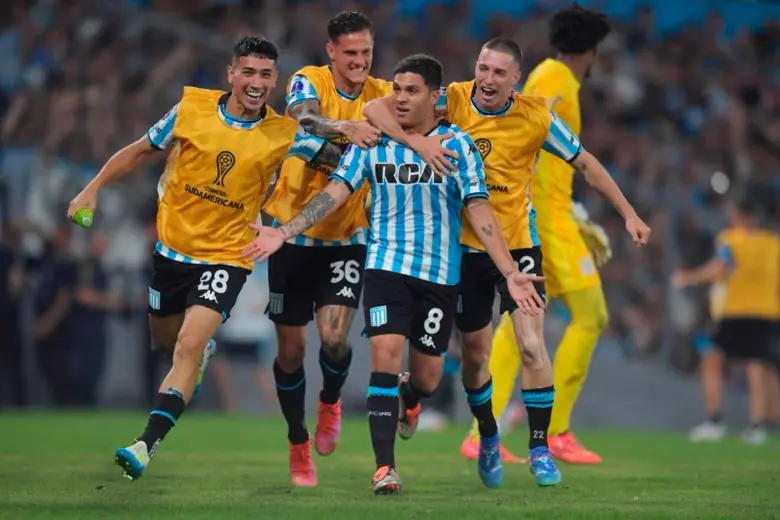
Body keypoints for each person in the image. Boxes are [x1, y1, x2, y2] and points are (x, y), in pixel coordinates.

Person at [244, 54, 546, 495]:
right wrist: (285, 232)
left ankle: (483, 430)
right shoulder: (373, 144)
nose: (400, 98)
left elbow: (480, 211)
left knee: (425, 379)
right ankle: (385, 468)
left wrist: (510, 270)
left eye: (411, 91)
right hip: (386, 267)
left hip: (440, 277)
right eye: (397, 89)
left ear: (435, 97)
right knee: (384, 354)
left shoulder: (458, 146)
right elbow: (335, 191)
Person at [363, 36, 649, 484]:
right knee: (475, 358)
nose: (488, 79)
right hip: (462, 250)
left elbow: (586, 163)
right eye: (482, 68)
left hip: (518, 248)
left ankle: (539, 449)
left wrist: (629, 213)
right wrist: (415, 144)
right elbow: (375, 109)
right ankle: (487, 435)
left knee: (532, 343)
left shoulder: (535, 115)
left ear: (516, 78)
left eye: (499, 72)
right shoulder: (452, 99)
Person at [67, 37, 341, 480]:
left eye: (265, 75)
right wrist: (91, 188)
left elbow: (343, 167)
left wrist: (293, 222)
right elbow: (139, 150)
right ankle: (198, 356)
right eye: (248, 72)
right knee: (166, 343)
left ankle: (144, 445)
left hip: (227, 258)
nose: (256, 83)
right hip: (171, 254)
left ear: (274, 80)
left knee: (187, 349)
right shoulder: (190, 109)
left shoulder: (282, 133)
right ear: (231, 74)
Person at [261, 11, 453, 487]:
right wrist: (345, 130)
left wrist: (411, 140)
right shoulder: (310, 82)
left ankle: (330, 400)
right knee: (289, 350)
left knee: (334, 339)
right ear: (332, 53)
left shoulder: (384, 95)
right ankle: (297, 441)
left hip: (347, 238)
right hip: (293, 231)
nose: (360, 62)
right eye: (350, 54)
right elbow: (302, 118)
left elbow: (419, 120)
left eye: (366, 53)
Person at [673, 197, 780, 445]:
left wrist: (688, 278)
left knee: (711, 359)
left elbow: (721, 268)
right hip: (768, 313)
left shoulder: (730, 239)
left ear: (741, 216)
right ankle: (757, 427)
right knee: (757, 366)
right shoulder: (774, 244)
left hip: (736, 311)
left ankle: (715, 422)